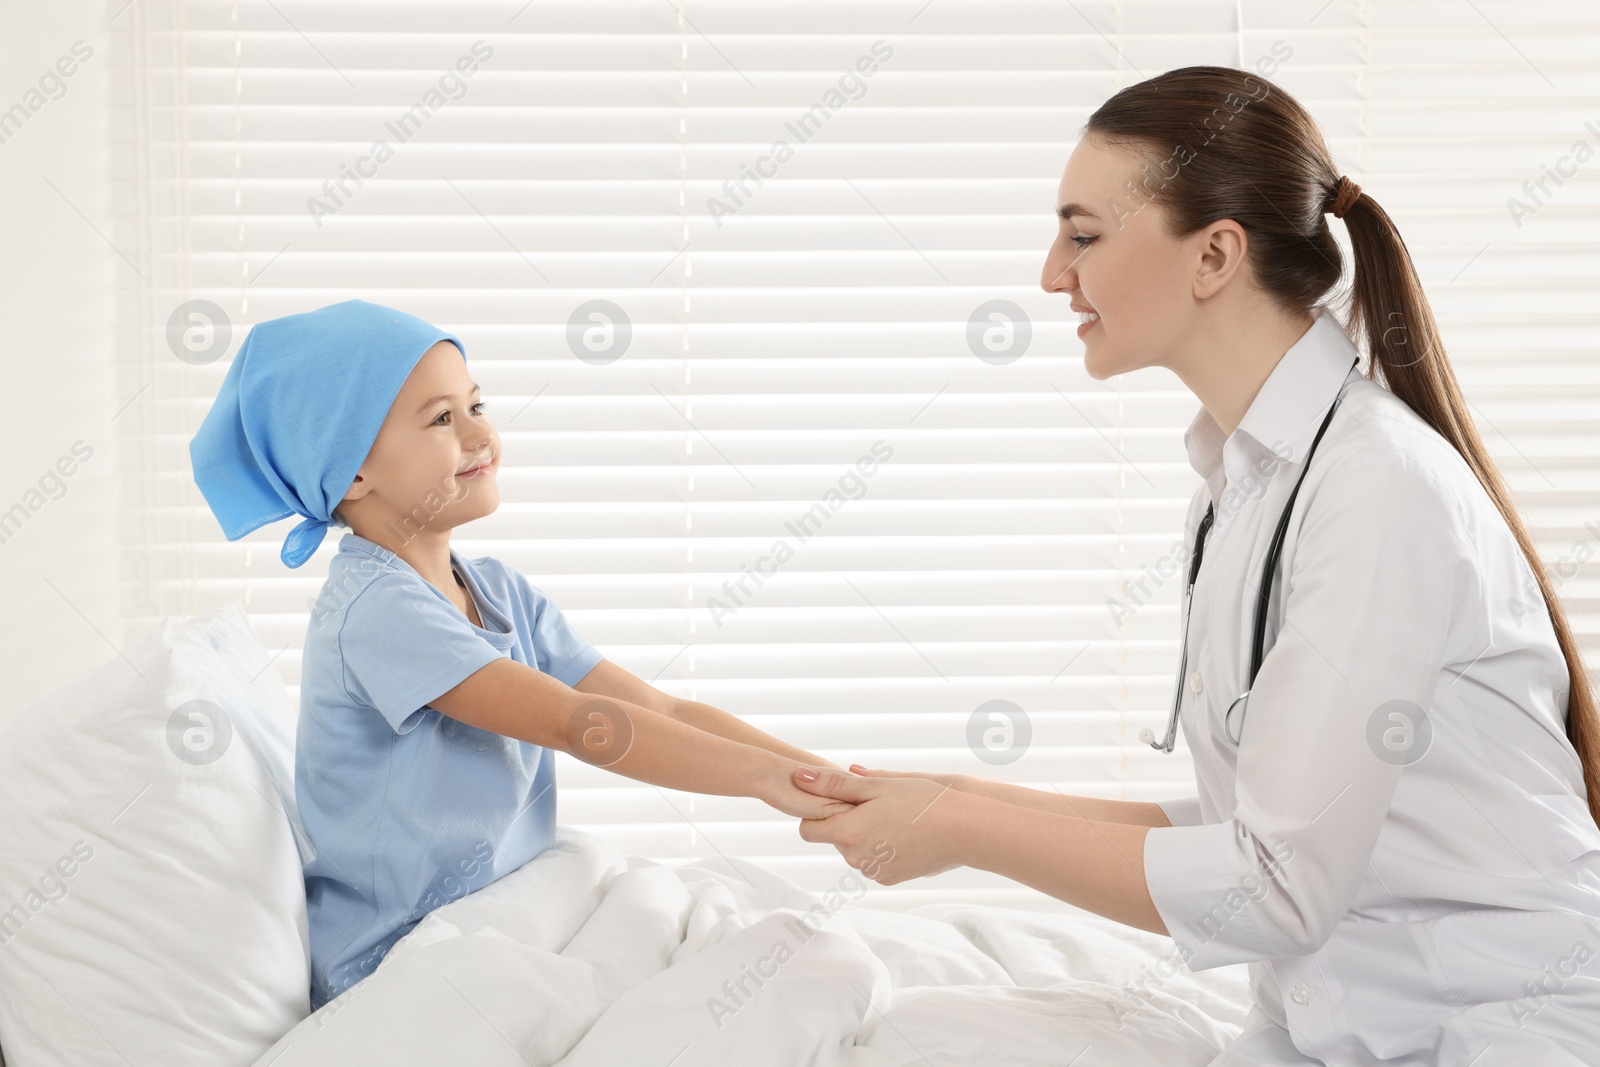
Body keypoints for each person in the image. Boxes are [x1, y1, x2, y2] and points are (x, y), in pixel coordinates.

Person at [791, 65, 1600, 1065]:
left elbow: (1275, 885)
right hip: (1331, 1025)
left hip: (1501, 1026)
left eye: (1081, 234)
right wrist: (960, 795)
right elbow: (1247, 827)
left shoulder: (1373, 487)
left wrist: (962, 827)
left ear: (1215, 253)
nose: (1052, 273)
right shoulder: (1240, 481)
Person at [188, 299, 849, 1011]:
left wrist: (815, 777)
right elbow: (579, 722)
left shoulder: (498, 589)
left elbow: (655, 708)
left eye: (477, 404)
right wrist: (763, 780)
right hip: (405, 954)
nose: (482, 434)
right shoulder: (375, 609)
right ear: (351, 472)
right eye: (443, 419)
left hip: (507, 913)